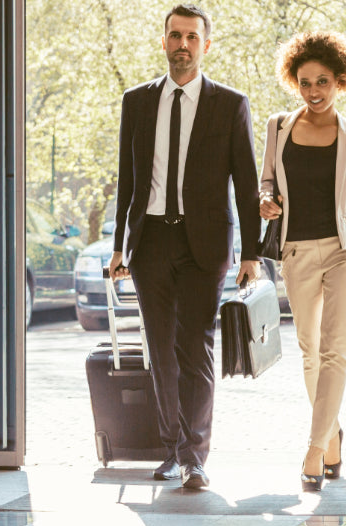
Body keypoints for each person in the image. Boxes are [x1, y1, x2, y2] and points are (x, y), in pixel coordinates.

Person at [108, 4, 262, 490]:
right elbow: (127, 178)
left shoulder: (230, 104)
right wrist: (119, 245)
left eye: (192, 37)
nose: (183, 45)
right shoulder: (137, 101)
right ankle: (171, 451)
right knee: (160, 349)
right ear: (164, 42)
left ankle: (195, 456)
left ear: (206, 45)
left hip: (205, 243)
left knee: (195, 347)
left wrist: (252, 253)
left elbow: (246, 182)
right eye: (175, 36)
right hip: (151, 238)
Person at [258, 31, 346, 492]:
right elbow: (266, 181)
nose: (314, 91)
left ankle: (315, 448)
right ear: (294, 82)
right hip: (297, 252)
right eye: (305, 82)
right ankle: (333, 433)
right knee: (310, 351)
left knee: (334, 346)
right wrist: (265, 200)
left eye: (322, 82)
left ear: (340, 81)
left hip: (345, 251)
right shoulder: (278, 127)